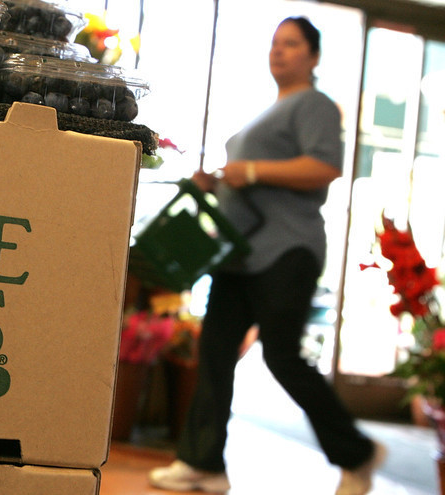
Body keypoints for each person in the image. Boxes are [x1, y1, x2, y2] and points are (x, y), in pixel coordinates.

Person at [147, 16, 387, 495]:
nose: (279, 51)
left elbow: (325, 167)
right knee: (215, 352)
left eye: (292, 44)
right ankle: (203, 464)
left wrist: (253, 170)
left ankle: (356, 455)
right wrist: (218, 180)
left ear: (313, 57)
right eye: (275, 43)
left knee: (281, 356)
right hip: (239, 254)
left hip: (286, 249)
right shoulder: (268, 111)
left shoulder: (314, 104)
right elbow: (248, 176)